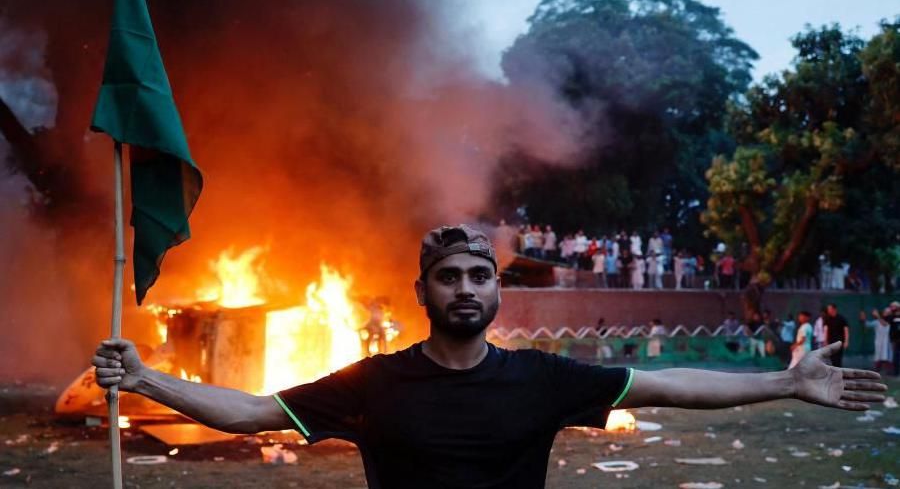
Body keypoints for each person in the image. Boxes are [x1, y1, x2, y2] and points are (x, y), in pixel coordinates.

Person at [92, 225, 886, 489]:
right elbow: (256, 413)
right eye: (450, 278)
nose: (467, 288)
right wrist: (145, 376)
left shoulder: (544, 379)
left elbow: (669, 385)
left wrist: (783, 381)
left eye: (481, 275)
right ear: (423, 292)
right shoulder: (374, 382)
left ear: (497, 290)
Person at [859, 309, 893, 374]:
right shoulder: (877, 322)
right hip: (879, 343)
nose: (886, 313)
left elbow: (885, 324)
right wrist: (863, 318)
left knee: (887, 358)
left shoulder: (891, 320)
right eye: (885, 312)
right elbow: (867, 324)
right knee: (878, 357)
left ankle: (890, 372)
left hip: (888, 343)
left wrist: (877, 316)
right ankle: (877, 372)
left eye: (887, 312)